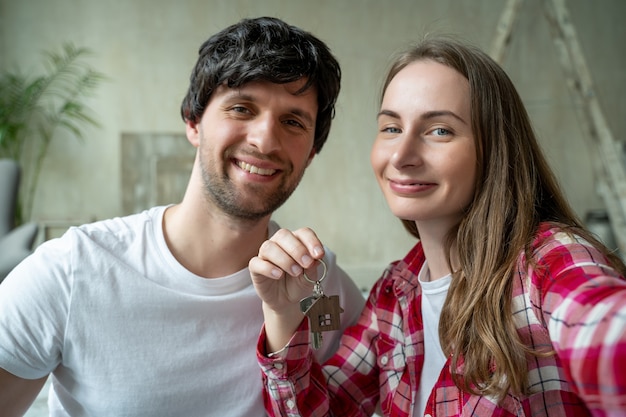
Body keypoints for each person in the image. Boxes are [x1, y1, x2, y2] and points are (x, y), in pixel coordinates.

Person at [0, 16, 365, 417]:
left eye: (293, 121)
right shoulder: (72, 269)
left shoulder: (323, 283)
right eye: (242, 108)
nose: (264, 140)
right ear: (193, 121)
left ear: (311, 151)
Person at [250, 35, 626, 417]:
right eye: (391, 128)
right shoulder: (394, 292)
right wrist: (282, 314)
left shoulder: (548, 260)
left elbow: (606, 332)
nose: (401, 155)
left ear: (495, 149)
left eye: (439, 130)